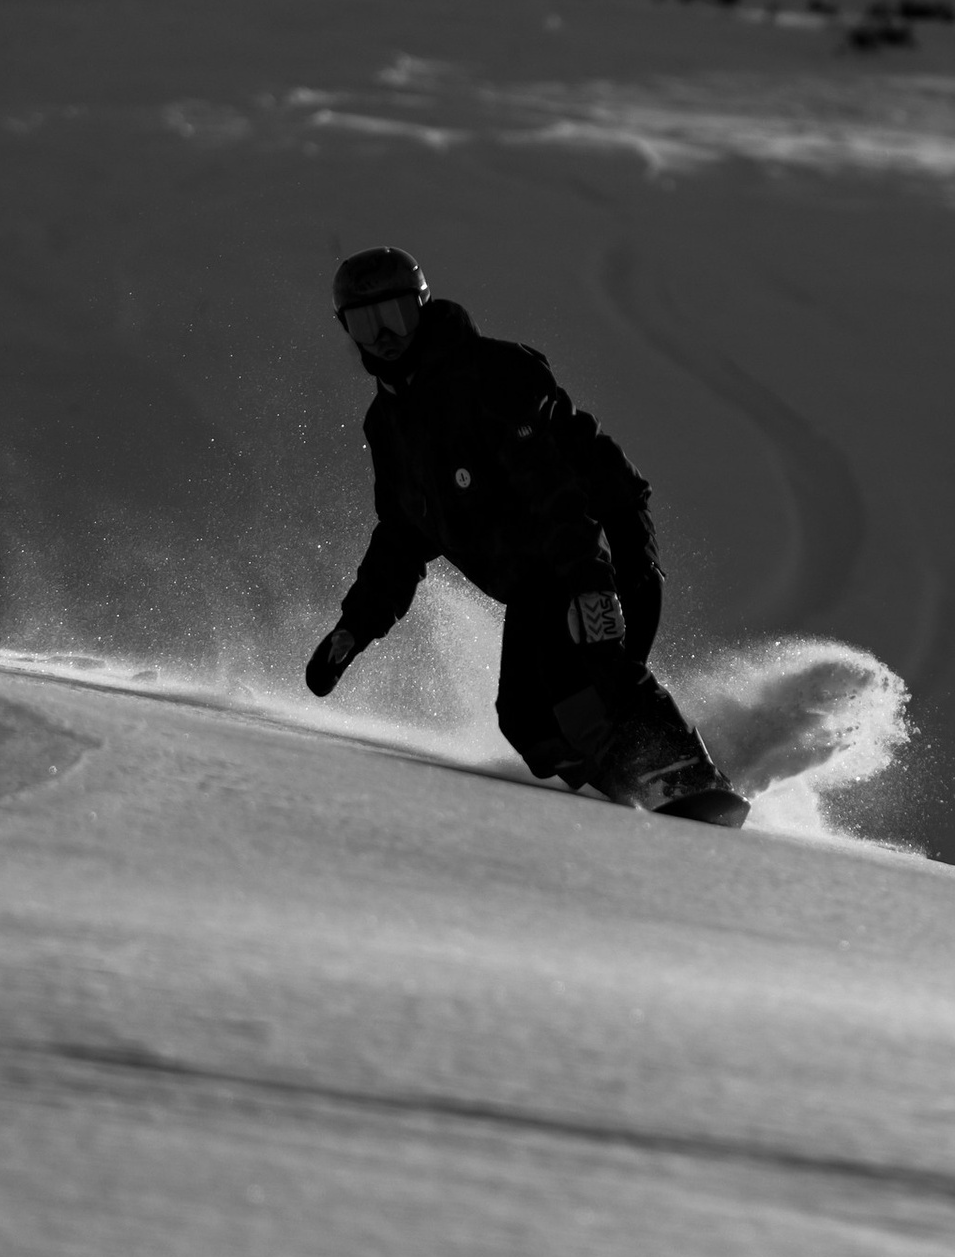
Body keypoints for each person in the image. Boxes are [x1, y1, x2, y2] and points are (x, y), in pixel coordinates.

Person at [305, 245, 750, 827]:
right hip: (538, 576)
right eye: (364, 323)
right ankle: (631, 794)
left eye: (394, 316)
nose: (383, 335)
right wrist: (353, 627)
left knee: (585, 670)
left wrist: (595, 584)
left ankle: (685, 776)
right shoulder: (388, 423)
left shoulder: (491, 375)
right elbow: (402, 536)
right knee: (526, 721)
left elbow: (557, 493)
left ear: (422, 306)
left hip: (600, 541)